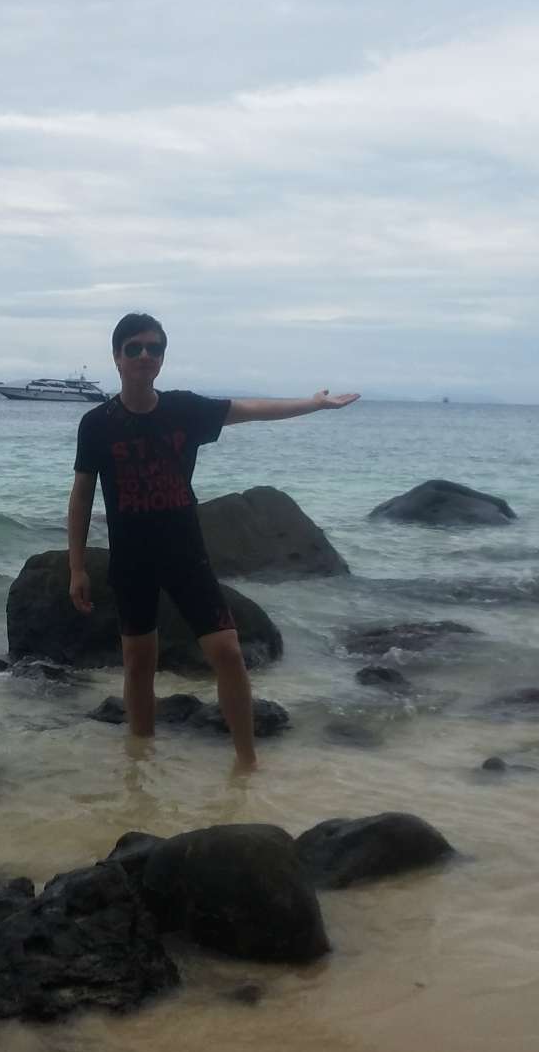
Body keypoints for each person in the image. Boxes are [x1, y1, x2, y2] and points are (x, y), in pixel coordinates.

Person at [67, 313, 359, 769]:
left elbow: (252, 410)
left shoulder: (184, 410)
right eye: (134, 347)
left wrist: (313, 404)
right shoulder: (98, 424)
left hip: (185, 553)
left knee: (228, 652)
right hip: (132, 560)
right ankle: (140, 769)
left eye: (154, 348)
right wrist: (76, 567)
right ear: (117, 357)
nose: (145, 355)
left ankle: (247, 764)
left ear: (162, 358)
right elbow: (82, 495)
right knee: (139, 665)